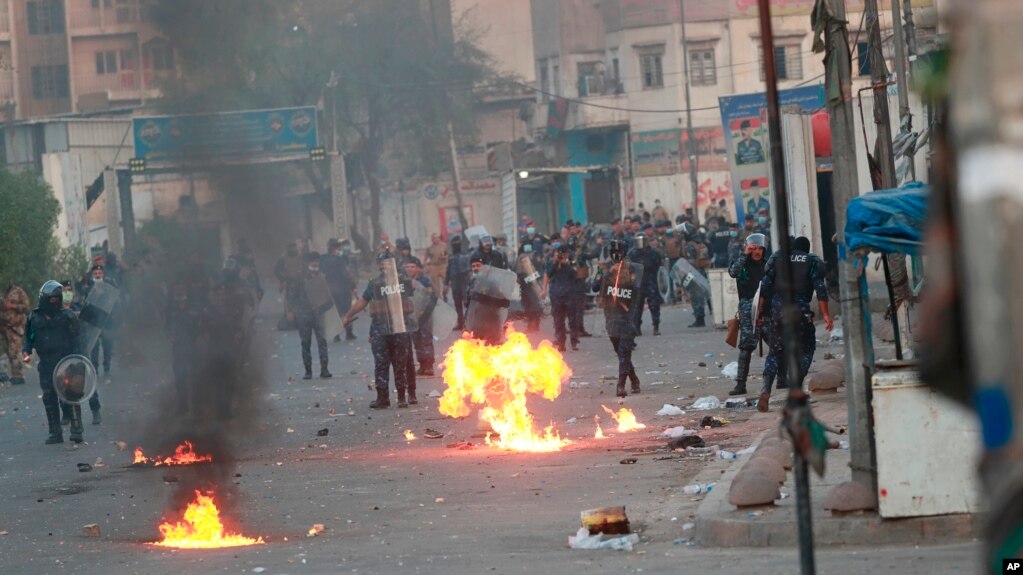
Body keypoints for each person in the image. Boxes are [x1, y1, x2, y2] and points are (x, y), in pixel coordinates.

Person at [756, 236, 834, 412]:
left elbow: (764, 288)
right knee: (807, 348)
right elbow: (821, 290)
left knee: (775, 352)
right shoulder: (810, 262)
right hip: (800, 313)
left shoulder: (778, 259)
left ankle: (765, 390)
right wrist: (827, 315)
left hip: (777, 313)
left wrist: (758, 313)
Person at [343, 252, 414, 409]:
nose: (384, 265)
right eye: (381, 263)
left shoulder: (403, 280)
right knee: (381, 364)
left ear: (393, 263)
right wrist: (348, 315)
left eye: (387, 262)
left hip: (400, 327)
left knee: (400, 363)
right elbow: (363, 301)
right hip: (380, 328)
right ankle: (383, 398)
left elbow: (415, 297)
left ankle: (402, 397)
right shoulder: (374, 283)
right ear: (378, 265)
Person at [22, 281, 82, 444]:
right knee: (49, 397)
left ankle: (77, 430)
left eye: (57, 298)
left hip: (66, 361)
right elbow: (30, 337)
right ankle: (55, 433)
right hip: (46, 363)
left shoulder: (68, 316)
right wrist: (26, 351)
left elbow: (77, 338)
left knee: (71, 394)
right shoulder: (34, 318)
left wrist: (77, 359)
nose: (53, 301)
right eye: (51, 298)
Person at [595, 239, 643, 397]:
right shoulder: (604, 268)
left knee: (624, 351)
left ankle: (620, 385)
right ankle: (634, 379)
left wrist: (622, 274)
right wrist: (607, 273)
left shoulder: (633, 268)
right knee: (621, 353)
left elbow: (636, 288)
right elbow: (594, 287)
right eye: (613, 252)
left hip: (627, 316)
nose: (616, 255)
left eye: (619, 252)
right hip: (611, 317)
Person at [727, 233, 768, 396]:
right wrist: (745, 254)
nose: (757, 252)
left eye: (760, 249)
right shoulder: (742, 264)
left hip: (767, 307)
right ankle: (740, 384)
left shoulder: (767, 265)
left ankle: (782, 378)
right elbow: (733, 272)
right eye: (754, 248)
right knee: (746, 347)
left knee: (778, 342)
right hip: (747, 307)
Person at [290, 252, 333, 380]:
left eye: (317, 261)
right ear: (308, 263)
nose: (315, 263)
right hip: (304, 314)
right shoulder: (300, 277)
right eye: (313, 261)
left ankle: (324, 369)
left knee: (322, 342)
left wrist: (325, 307)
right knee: (305, 343)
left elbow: (328, 295)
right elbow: (293, 295)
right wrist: (294, 311)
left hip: (319, 313)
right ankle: (308, 371)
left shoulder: (323, 276)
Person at [165, 281, 201, 413]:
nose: (179, 293)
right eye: (177, 290)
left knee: (195, 376)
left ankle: (197, 404)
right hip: (179, 347)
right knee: (180, 376)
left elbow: (201, 325)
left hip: (194, 346)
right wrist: (169, 335)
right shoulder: (171, 308)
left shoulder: (194, 307)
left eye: (182, 289)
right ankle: (182, 405)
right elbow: (167, 326)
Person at [404, 256, 437, 384]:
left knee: (426, 340)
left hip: (425, 315)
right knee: (416, 341)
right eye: (407, 267)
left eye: (412, 267)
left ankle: (429, 366)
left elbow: (432, 297)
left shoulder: (424, 280)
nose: (410, 269)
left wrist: (425, 313)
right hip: (412, 316)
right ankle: (422, 365)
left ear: (417, 268)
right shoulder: (405, 281)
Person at [543, 243, 579, 351]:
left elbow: (575, 275)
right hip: (556, 296)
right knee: (558, 320)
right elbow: (548, 274)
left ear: (567, 254)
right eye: (560, 254)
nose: (562, 256)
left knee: (573, 320)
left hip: (570, 295)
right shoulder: (552, 263)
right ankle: (561, 343)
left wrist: (566, 264)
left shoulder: (572, 262)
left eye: (564, 254)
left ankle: (573, 341)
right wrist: (555, 263)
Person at [627, 231, 664, 336]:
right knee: (637, 306)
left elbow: (659, 267)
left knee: (654, 305)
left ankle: (656, 326)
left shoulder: (653, 253)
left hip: (650, 280)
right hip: (638, 282)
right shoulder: (632, 253)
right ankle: (637, 327)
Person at [322, 238, 357, 341]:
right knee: (347, 311)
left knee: (336, 312)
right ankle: (349, 333)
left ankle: (336, 335)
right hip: (343, 289)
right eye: (338, 247)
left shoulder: (325, 261)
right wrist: (353, 286)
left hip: (331, 290)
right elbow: (346, 274)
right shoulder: (340, 260)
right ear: (335, 248)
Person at [0, 284, 30, 386]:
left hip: (16, 326)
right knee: (6, 351)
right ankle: (3, 373)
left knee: (15, 352)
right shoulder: (3, 292)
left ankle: (18, 376)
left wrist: (13, 306)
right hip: (4, 326)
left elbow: (26, 307)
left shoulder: (19, 292)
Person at [684, 231, 712, 327]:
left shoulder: (690, 246)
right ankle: (702, 316)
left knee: (696, 296)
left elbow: (690, 262)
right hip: (702, 271)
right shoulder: (701, 244)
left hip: (694, 272)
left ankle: (699, 319)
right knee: (702, 294)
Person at [444, 235, 471, 331]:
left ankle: (468, 323)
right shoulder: (451, 257)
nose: (456, 245)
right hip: (455, 283)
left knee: (467, 303)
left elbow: (470, 270)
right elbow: (448, 271)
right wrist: (446, 283)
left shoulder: (466, 255)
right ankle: (460, 322)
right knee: (458, 305)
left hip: (464, 283)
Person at [516, 244, 543, 333]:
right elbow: (518, 272)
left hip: (532, 284)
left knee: (534, 304)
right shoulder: (521, 258)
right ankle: (532, 324)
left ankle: (534, 324)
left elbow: (538, 271)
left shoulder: (534, 258)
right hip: (525, 285)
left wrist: (532, 280)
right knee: (528, 304)